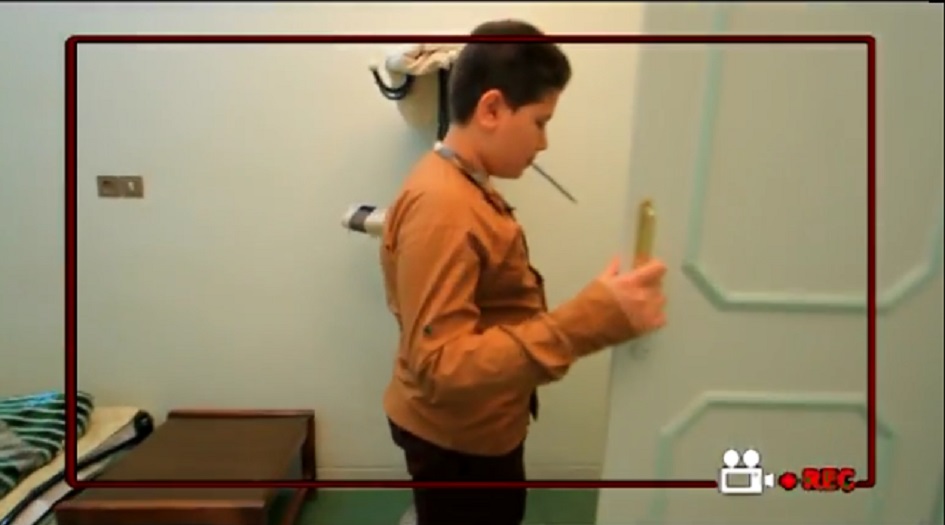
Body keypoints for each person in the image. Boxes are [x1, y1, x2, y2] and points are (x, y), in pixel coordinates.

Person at [378, 18, 668, 525]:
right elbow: (442, 366)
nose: (544, 143)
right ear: (491, 109)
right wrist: (589, 320)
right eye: (540, 121)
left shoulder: (463, 184)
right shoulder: (444, 206)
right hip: (457, 444)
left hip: (476, 429)